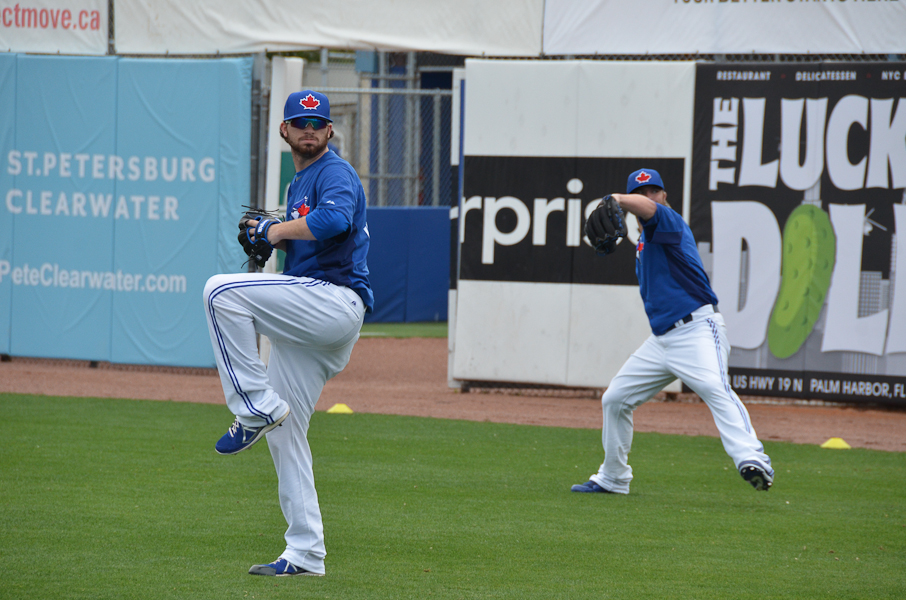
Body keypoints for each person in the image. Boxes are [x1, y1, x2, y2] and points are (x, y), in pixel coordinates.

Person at [203, 90, 373, 576]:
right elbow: (306, 241)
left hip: (334, 301)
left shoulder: (333, 172)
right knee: (286, 433)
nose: (309, 130)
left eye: (318, 123)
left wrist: (273, 230)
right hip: (314, 315)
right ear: (285, 130)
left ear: (330, 131)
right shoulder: (299, 181)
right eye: (300, 122)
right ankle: (305, 553)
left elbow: (334, 220)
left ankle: (254, 406)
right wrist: (270, 239)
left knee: (220, 291)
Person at [572, 168, 774, 495]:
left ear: (664, 196)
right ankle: (613, 478)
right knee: (615, 399)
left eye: (654, 190)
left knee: (713, 386)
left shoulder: (669, 221)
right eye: (641, 192)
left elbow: (648, 210)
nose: (649, 196)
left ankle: (753, 459)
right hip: (662, 340)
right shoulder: (643, 242)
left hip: (697, 329)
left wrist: (618, 198)